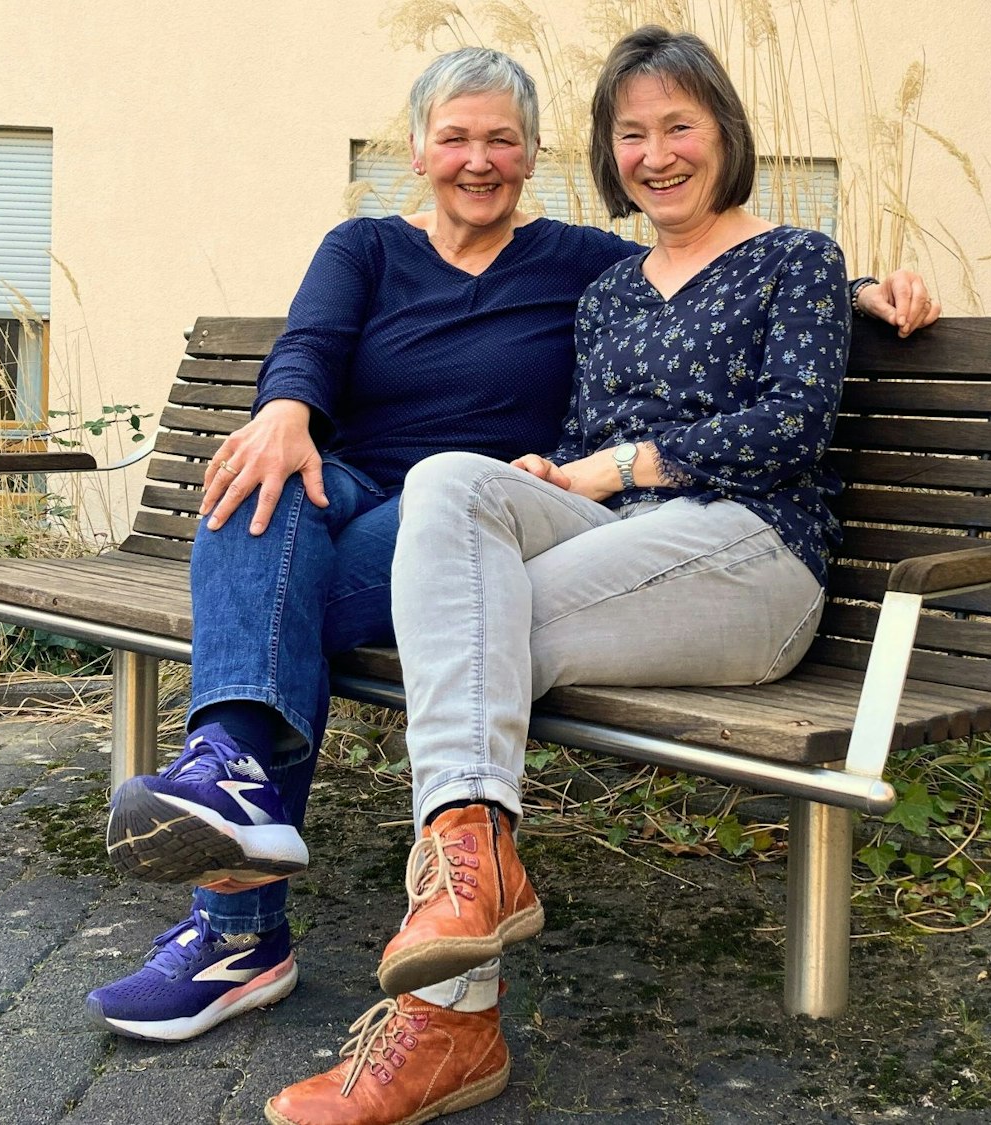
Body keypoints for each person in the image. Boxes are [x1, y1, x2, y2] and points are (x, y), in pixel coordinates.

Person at [85, 45, 938, 1044]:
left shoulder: (582, 263)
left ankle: (244, 921)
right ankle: (231, 774)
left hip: (474, 521)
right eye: (455, 138)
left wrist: (855, 288)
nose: (478, 160)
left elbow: (722, 270)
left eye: (501, 140)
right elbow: (312, 342)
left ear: (534, 155)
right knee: (252, 494)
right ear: (416, 150)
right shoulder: (376, 248)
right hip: (359, 487)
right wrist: (281, 411)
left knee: (292, 614)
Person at [265, 26, 863, 1125]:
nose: (657, 154)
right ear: (604, 153)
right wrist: (557, 470)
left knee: (465, 633)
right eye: (631, 134)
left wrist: (622, 465)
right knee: (449, 482)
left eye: (678, 126)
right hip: (616, 552)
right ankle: (472, 881)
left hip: (751, 558)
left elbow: (791, 427)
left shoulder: (799, 260)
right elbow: (581, 443)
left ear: (725, 132)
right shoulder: (612, 287)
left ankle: (449, 1020)